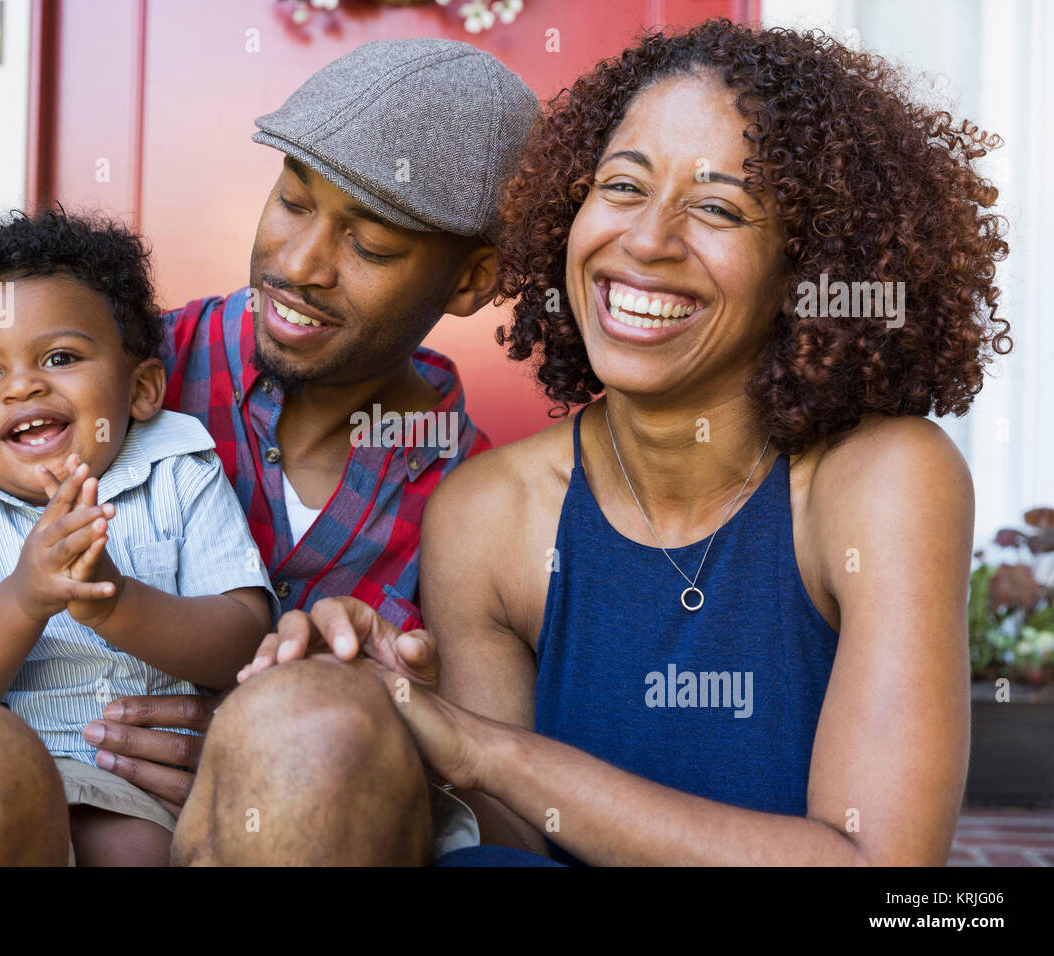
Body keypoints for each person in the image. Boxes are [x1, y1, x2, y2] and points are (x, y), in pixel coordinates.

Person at [231, 18, 1010, 865]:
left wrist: (488, 748)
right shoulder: (491, 511)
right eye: (624, 186)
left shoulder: (882, 480)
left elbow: (882, 874)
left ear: (809, 264)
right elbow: (511, 847)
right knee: (307, 720)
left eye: (717, 207)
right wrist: (399, 712)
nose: (645, 241)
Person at [0, 38, 537, 865]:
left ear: (470, 281)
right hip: (18, 817)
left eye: (370, 247)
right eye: (293, 203)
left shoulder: (478, 497)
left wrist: (277, 756)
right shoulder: (70, 377)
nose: (300, 265)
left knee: (312, 736)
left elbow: (500, 810)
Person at [0, 210, 280, 865]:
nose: (22, 386)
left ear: (142, 388)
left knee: (127, 846)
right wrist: (23, 599)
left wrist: (116, 604)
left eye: (59, 357)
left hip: (135, 784)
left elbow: (240, 638)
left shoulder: (178, 472)